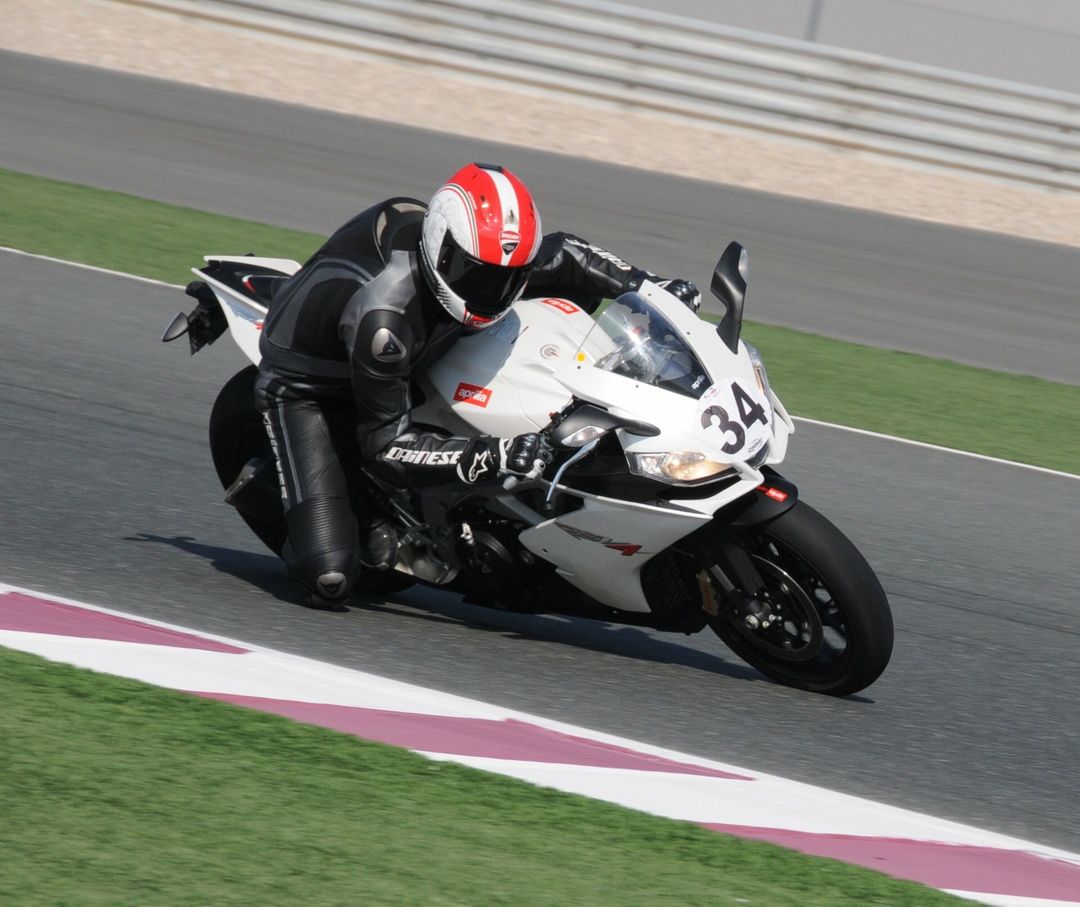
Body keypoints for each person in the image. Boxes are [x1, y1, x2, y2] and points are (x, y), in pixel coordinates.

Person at [256, 162, 700, 609]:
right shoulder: (384, 321)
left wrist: (650, 287)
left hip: (420, 344)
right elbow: (387, 447)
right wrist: (492, 455)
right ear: (440, 247)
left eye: (508, 277)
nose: (492, 290)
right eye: (476, 276)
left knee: (568, 295)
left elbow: (567, 252)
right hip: (315, 387)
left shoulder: (488, 261)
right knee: (331, 577)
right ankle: (297, 495)